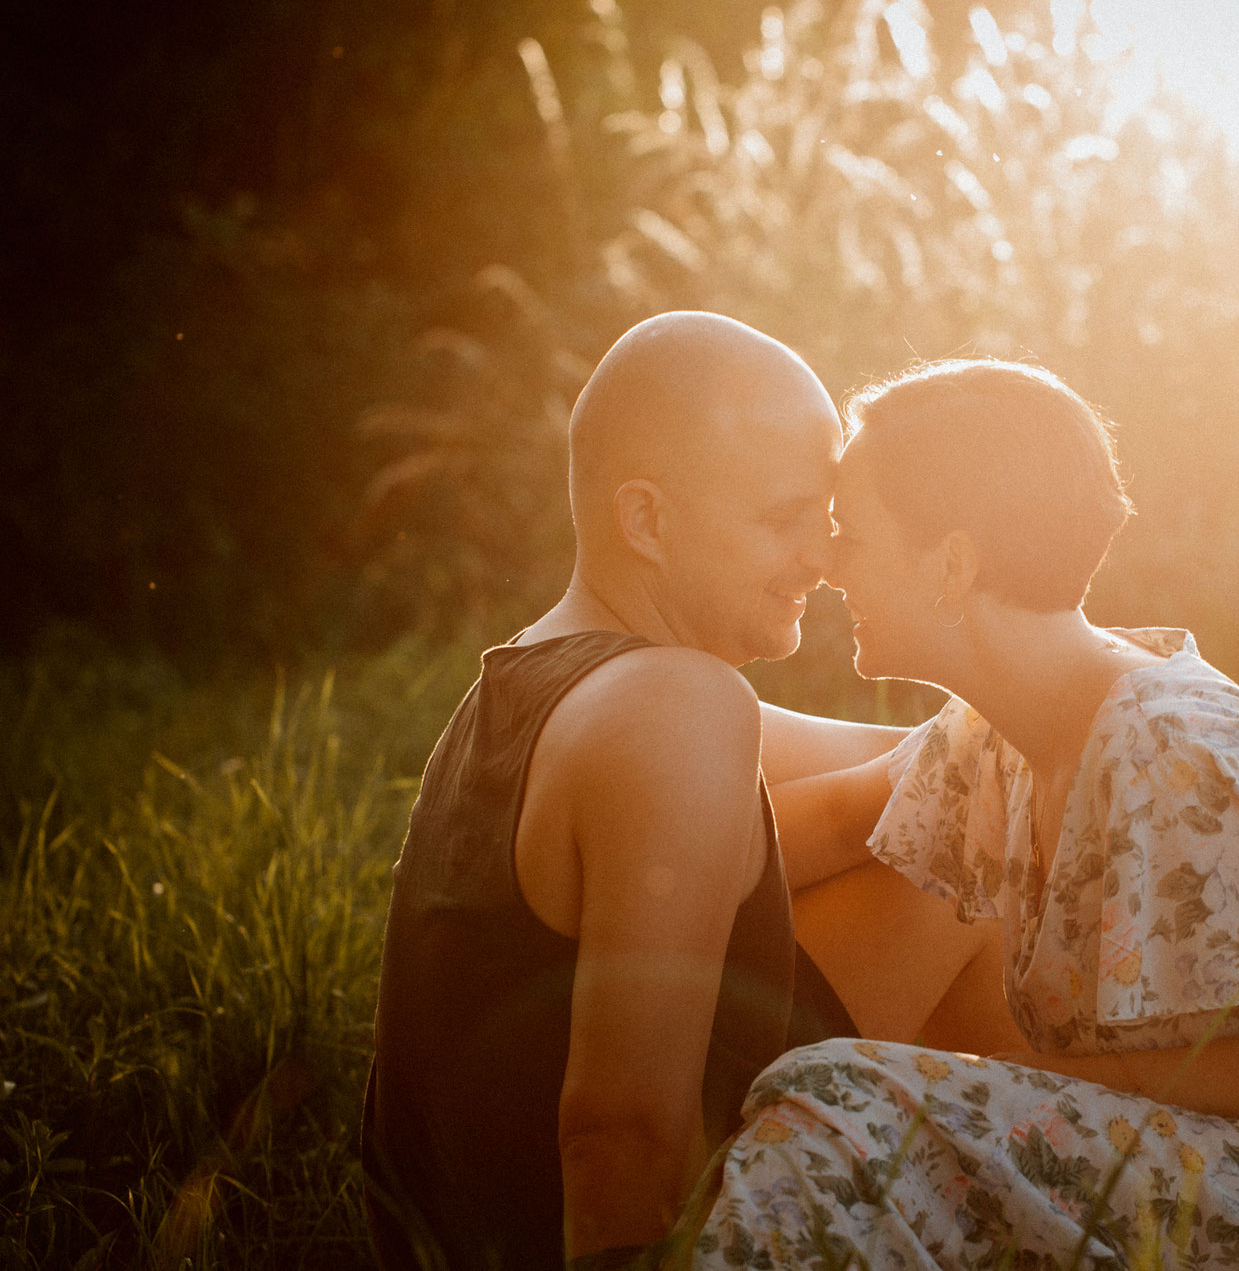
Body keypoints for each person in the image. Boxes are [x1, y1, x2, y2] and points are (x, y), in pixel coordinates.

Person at [695, 359, 1239, 1268]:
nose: (823, 561)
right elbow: (809, 832)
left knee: (837, 1096)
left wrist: (1051, 1089)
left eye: (847, 531)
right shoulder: (998, 729)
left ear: (952, 563)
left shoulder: (1170, 745)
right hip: (1199, 1163)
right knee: (849, 1093)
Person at [360, 314, 1005, 1271]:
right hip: (576, 1242)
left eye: (824, 523)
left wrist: (1090, 731)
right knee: (969, 846)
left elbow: (929, 765)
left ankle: (1051, 1164)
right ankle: (1083, 1174)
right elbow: (616, 1125)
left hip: (450, 1234)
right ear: (647, 521)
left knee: (973, 804)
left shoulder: (554, 680)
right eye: (785, 519)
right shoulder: (673, 706)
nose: (824, 561)